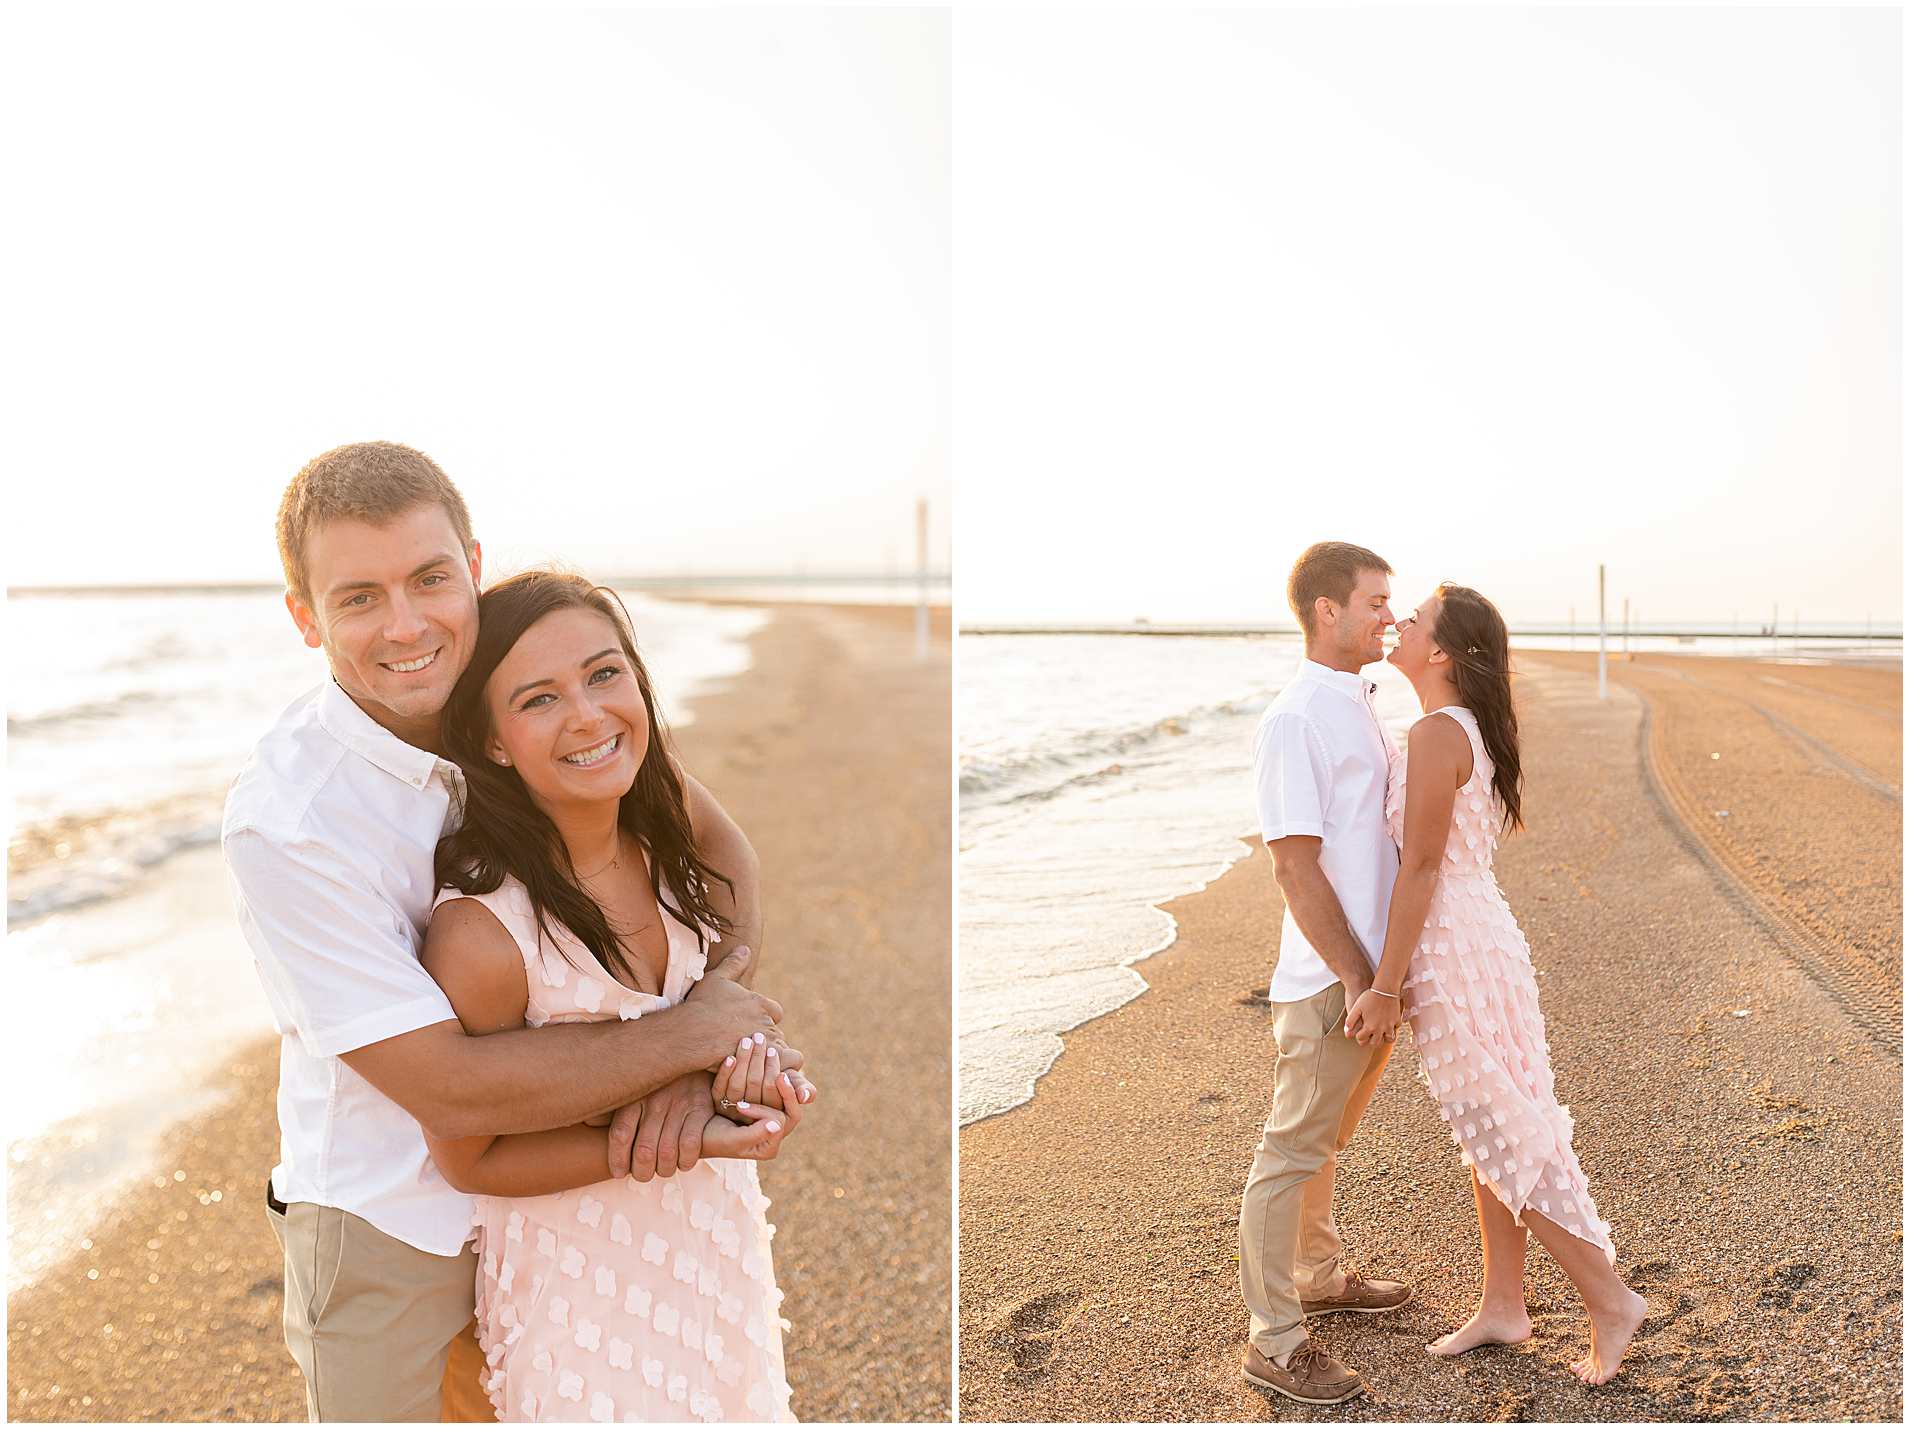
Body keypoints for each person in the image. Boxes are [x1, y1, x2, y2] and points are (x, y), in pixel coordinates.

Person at [223, 441, 808, 1421]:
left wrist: (724, 992)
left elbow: (718, 844)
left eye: (429, 578)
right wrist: (688, 1047)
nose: (407, 624)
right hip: (386, 1221)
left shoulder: (508, 684)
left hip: (561, 1202)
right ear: (305, 618)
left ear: (473, 568)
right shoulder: (286, 819)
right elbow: (445, 1084)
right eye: (359, 597)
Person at [419, 569, 800, 1422]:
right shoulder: (485, 934)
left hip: (714, 1255)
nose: (589, 716)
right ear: (491, 741)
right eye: (539, 699)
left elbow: (737, 857)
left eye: (603, 674)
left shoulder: (665, 840)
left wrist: (722, 1039)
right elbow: (470, 1160)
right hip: (580, 1304)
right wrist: (686, 1129)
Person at [1345, 582, 1646, 1385]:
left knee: (1506, 1126)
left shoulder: (1439, 731)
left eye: (1414, 620)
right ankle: (1504, 1305)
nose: (1399, 624)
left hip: (1456, 948)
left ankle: (1610, 1299)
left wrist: (1384, 982)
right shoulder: (1461, 727)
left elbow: (1421, 865)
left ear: (1440, 652)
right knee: (1497, 1127)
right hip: (1481, 936)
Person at [1237, 542, 1413, 1407]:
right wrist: (1357, 977)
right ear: (1326, 611)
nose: (1390, 614)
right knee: (1289, 1152)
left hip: (1373, 974)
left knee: (1323, 1145)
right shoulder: (1296, 718)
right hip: (1330, 980)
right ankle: (1275, 1340)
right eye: (1376, 601)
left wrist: (1392, 971)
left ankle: (1318, 1273)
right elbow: (1295, 867)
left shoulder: (1361, 701)